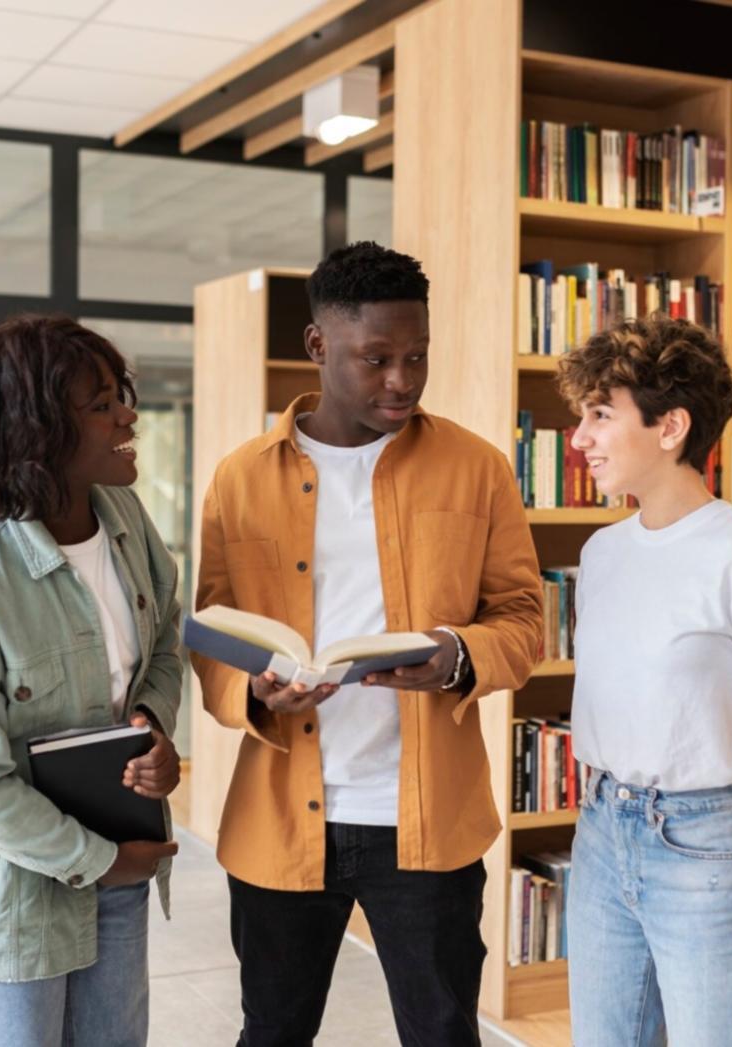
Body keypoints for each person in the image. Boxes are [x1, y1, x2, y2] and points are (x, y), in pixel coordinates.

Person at [192, 242, 544, 1047]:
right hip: (282, 818)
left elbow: (525, 620)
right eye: (376, 358)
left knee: (444, 1034)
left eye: (416, 356)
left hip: (428, 823)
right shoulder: (240, 477)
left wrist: (457, 654)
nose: (402, 380)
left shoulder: (478, 468)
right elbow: (211, 635)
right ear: (319, 346)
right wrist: (253, 689)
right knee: (272, 1032)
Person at [0, 315, 182, 1047]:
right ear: (36, 429)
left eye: (121, 394)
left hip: (119, 873)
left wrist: (154, 725)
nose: (128, 415)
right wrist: (103, 860)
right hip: (11, 903)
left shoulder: (123, 515)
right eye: (101, 404)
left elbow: (165, 637)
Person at [558, 315, 732, 1047]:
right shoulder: (602, 551)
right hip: (601, 835)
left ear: (671, 426)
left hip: (710, 851)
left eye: (600, 414)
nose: (579, 437)